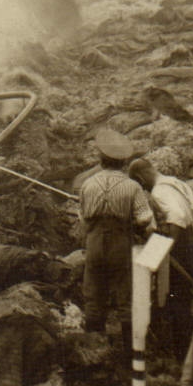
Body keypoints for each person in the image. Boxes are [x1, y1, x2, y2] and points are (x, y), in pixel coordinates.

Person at [78, 130, 156, 340]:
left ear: (101, 159)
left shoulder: (88, 184)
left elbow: (83, 217)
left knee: (93, 292)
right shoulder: (132, 186)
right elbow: (145, 218)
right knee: (125, 294)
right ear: (123, 162)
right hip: (120, 243)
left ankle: (95, 345)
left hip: (94, 242)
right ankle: (130, 354)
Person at [130, 157, 193, 362]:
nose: (142, 189)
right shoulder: (177, 182)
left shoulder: (159, 191)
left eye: (140, 184)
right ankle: (167, 336)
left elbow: (177, 216)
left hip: (180, 248)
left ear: (140, 177)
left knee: (178, 299)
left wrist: (167, 247)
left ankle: (183, 355)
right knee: (177, 295)